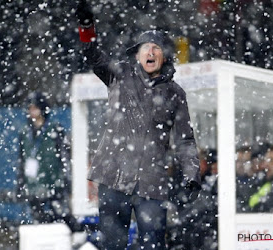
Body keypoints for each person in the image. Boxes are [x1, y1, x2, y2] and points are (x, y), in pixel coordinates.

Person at [76, 1, 201, 249]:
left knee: (153, 245)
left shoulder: (175, 93)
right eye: (146, 48)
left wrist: (191, 176)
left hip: (151, 183)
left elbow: (185, 140)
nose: (151, 52)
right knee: (113, 245)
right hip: (113, 177)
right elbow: (91, 54)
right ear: (137, 54)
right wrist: (86, 28)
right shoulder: (119, 74)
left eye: (156, 48)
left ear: (164, 56)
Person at [16, 92, 85, 232]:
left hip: (54, 185)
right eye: (30, 108)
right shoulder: (24, 133)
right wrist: (21, 184)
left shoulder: (55, 129)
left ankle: (76, 236)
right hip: (33, 187)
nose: (32, 112)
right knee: (39, 224)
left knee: (60, 219)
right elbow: (21, 161)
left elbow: (65, 158)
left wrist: (66, 182)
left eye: (35, 108)